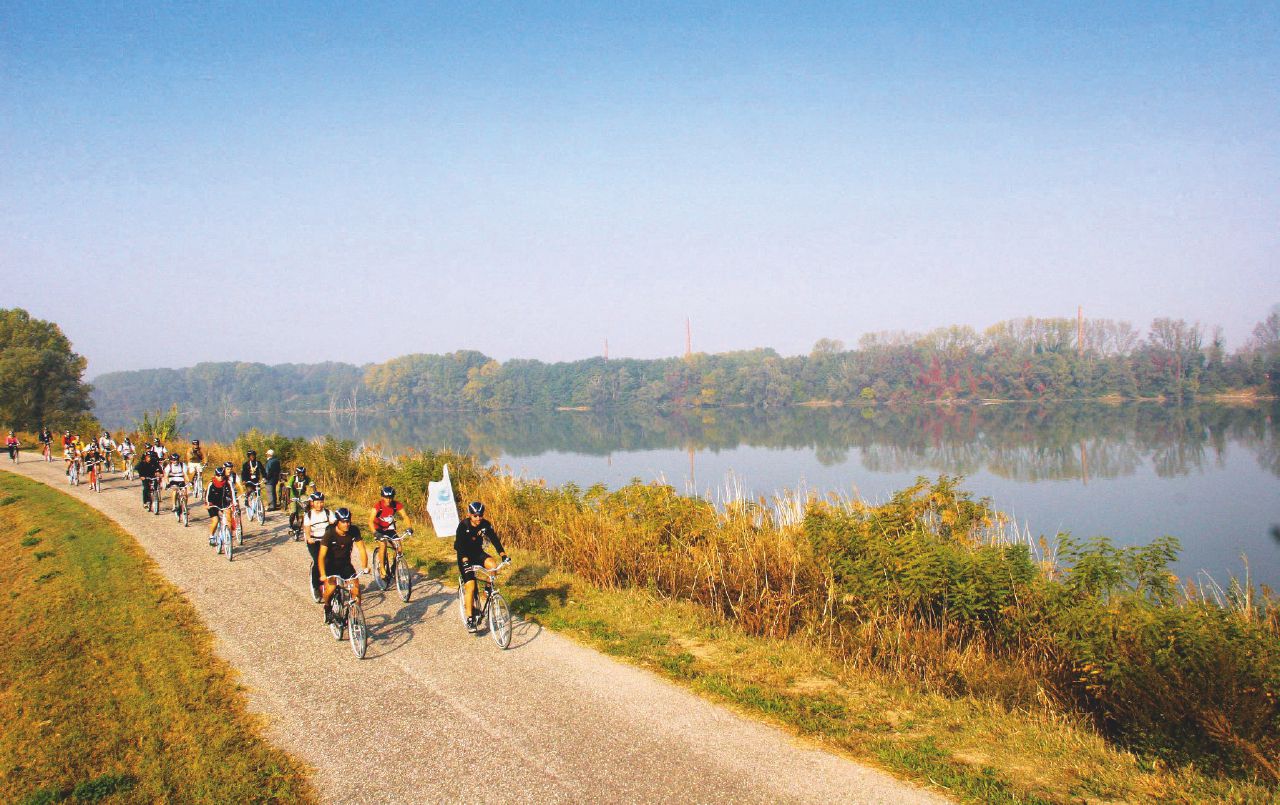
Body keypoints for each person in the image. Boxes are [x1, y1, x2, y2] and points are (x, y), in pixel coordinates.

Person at [454, 501, 508, 632]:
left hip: (477, 553)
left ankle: (488, 588)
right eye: (475, 516)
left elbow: (494, 539)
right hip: (464, 556)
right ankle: (470, 618)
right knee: (471, 586)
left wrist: (503, 555)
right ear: (469, 515)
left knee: (492, 565)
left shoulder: (485, 524)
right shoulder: (463, 526)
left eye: (480, 515)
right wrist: (465, 561)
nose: (478, 518)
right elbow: (459, 546)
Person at [318, 508, 370, 623]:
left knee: (356, 588)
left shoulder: (354, 530)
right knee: (331, 588)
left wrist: (365, 566)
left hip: (345, 564)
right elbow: (321, 556)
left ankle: (355, 617)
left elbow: (362, 549)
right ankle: (327, 607)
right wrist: (322, 574)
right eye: (343, 522)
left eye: (348, 521)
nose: (347, 524)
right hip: (330, 564)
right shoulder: (330, 533)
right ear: (337, 522)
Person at [369, 485, 413, 584]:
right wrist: (375, 533)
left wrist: (409, 527)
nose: (388, 500)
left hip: (389, 529)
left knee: (399, 547)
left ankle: (395, 566)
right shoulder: (378, 506)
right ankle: (382, 570)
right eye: (386, 497)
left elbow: (405, 516)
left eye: (390, 498)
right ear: (382, 497)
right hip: (378, 529)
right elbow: (370, 521)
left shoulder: (396, 505)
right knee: (383, 544)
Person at [302, 491, 334, 595]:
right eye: (317, 502)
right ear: (312, 503)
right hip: (314, 540)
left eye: (321, 502)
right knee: (318, 561)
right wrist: (309, 537)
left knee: (331, 559)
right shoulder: (309, 515)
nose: (319, 505)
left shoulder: (328, 513)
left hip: (326, 540)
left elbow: (334, 525)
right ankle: (316, 586)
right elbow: (307, 529)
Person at [204, 467, 236, 544]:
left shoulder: (228, 483)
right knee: (215, 520)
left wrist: (234, 503)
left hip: (223, 503)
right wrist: (208, 504)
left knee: (228, 518)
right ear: (215, 475)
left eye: (222, 475)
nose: (220, 477)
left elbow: (232, 493)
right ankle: (211, 536)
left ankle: (228, 536)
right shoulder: (211, 484)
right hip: (213, 504)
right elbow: (207, 496)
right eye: (218, 475)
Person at [285, 466, 314, 537]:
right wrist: (288, 499)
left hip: (302, 496)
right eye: (300, 474)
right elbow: (288, 489)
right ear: (297, 473)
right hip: (293, 496)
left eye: (303, 473)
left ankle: (301, 525)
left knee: (304, 510)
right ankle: (290, 526)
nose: (302, 475)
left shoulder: (307, 478)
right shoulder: (293, 478)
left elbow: (313, 485)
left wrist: (315, 494)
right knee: (293, 512)